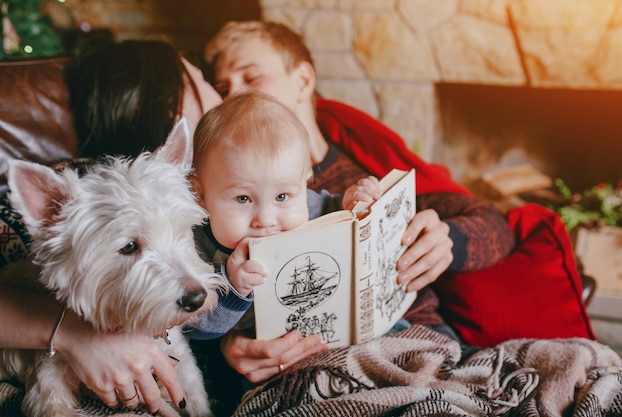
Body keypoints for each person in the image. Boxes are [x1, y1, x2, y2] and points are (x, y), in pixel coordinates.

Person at [202, 19, 516, 394]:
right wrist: (226, 349)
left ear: (303, 81)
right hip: (308, 369)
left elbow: (497, 225)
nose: (232, 94)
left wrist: (449, 239)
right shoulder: (221, 192)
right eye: (224, 86)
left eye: (250, 78)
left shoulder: (363, 163)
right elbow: (178, 323)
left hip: (412, 337)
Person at [0, 38, 223, 415]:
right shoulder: (73, 203)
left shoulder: (178, 185)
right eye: (131, 247)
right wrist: (70, 333)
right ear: (166, 103)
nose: (224, 88)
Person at [185, 90, 381, 340]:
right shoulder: (194, 252)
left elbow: (331, 210)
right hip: (278, 357)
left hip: (344, 328)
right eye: (243, 199)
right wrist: (233, 289)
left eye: (282, 197)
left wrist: (351, 201)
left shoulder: (307, 206)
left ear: (305, 181)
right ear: (199, 194)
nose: (266, 220)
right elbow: (197, 329)